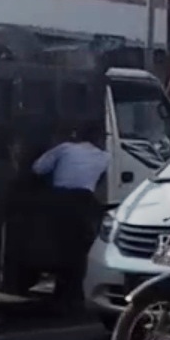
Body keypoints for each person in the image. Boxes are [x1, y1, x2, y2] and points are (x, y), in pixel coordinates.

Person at [31, 120, 110, 313]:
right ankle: (74, 294)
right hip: (84, 203)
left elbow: (37, 169)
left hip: (59, 202)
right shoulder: (105, 157)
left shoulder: (64, 149)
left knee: (60, 247)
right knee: (80, 249)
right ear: (99, 139)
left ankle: (61, 294)